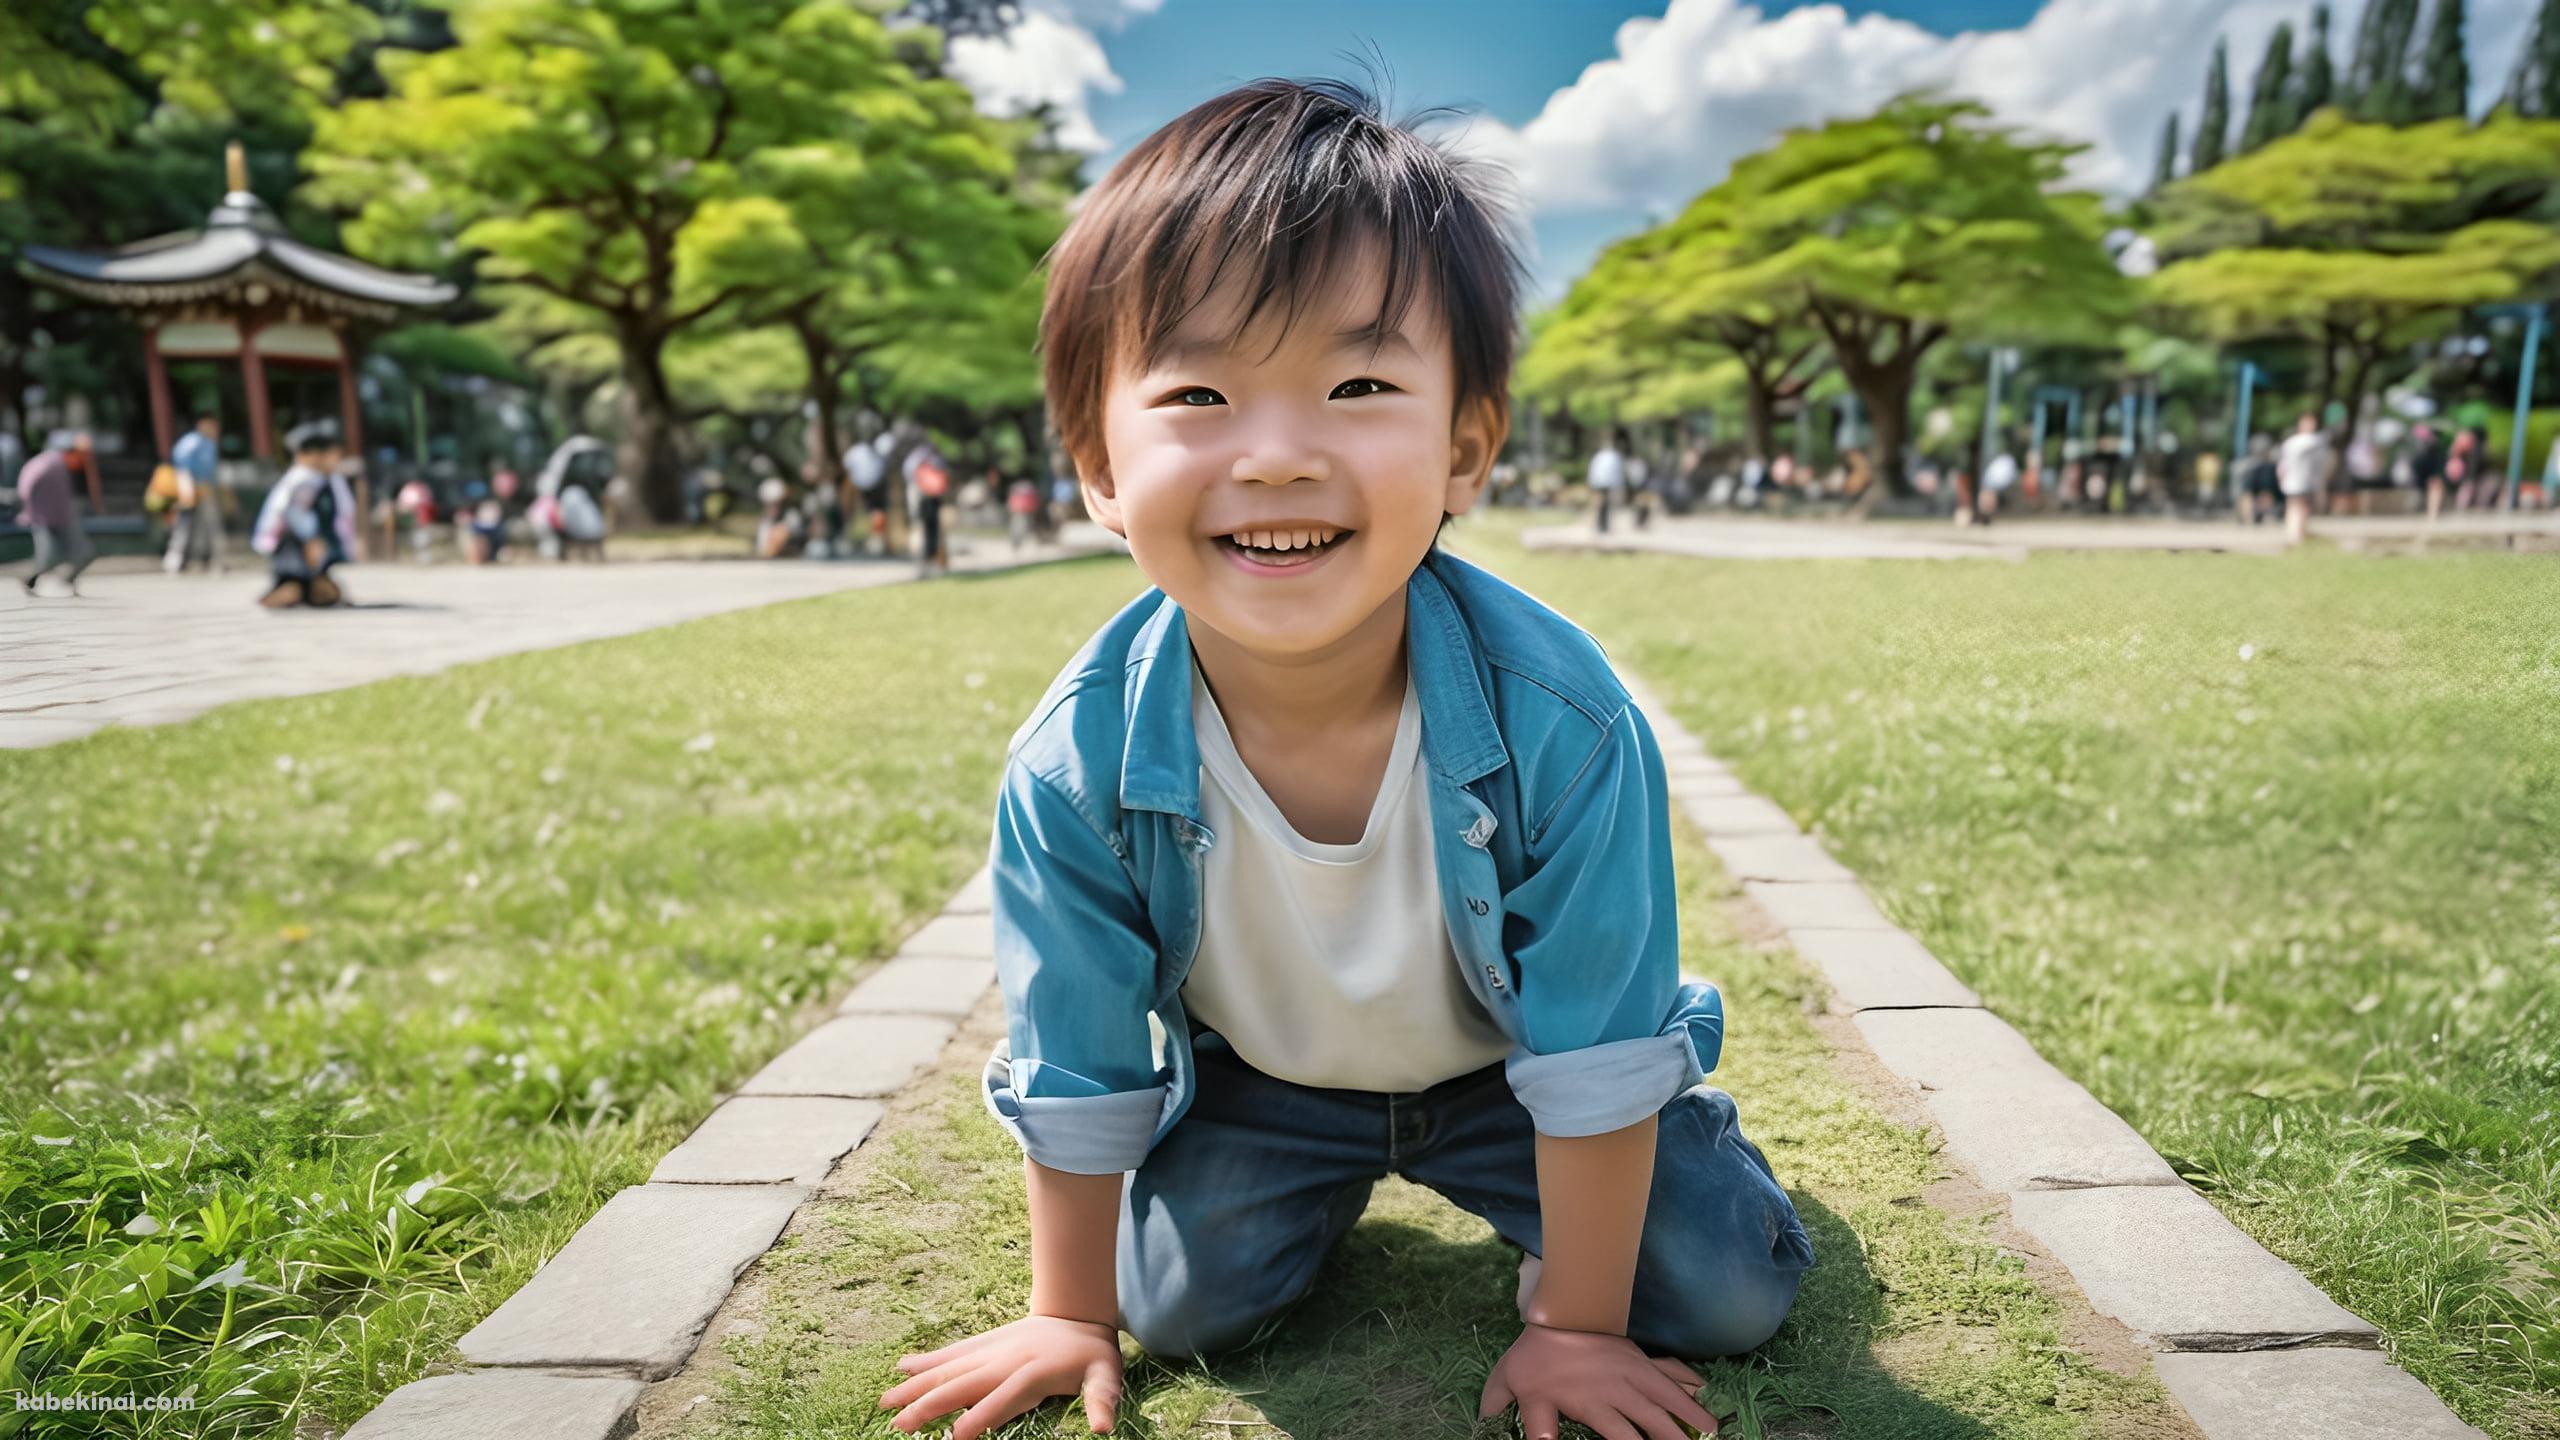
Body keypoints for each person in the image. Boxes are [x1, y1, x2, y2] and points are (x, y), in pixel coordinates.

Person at [878, 78, 1807, 1440]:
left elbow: (1594, 1047)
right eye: (1197, 391)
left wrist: (1575, 1329)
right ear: (1097, 466)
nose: (1277, 456)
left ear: (1465, 445)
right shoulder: (1073, 765)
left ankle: (1649, 1180)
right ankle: (1311, 1202)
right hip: (1272, 1090)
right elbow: (1076, 1053)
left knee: (1726, 1295)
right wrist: (1069, 1313)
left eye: (1360, 384)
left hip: (1515, 1068)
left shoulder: (1567, 724)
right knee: (1178, 1307)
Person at [251, 420, 361, 607]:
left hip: (316, 543)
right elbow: (291, 513)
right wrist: (310, 537)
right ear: (314, 456)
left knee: (329, 592)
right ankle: (292, 588)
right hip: (297, 543)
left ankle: (310, 588)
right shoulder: (303, 480)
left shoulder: (326, 478)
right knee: (298, 576)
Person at [15, 430, 99, 597]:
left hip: (63, 518)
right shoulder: (49, 463)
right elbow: (26, 486)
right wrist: (27, 507)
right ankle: (31, 580)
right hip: (43, 518)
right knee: (49, 556)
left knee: (85, 553)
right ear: (69, 451)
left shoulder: (62, 465)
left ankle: (68, 579)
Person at [166, 412, 229, 574]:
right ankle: (175, 561)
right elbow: (183, 468)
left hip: (205, 489)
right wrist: (186, 491)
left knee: (207, 525)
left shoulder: (209, 443)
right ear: (202, 424)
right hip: (190, 488)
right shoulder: (192, 442)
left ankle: (205, 560)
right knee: (184, 525)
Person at [2276, 412, 2327, 545]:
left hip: (2295, 481)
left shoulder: (2290, 442)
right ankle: (2297, 536)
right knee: (2301, 507)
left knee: (2294, 507)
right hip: (2301, 481)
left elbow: (2282, 464)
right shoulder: (2313, 441)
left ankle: (2293, 534)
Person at [904, 438, 951, 576]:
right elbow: (943, 478)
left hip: (917, 495)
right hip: (932, 496)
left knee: (918, 527)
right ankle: (931, 560)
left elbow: (907, 473)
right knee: (933, 530)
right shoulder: (936, 458)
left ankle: (921, 560)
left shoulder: (914, 457)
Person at [1585, 428, 1627, 533]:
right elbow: (1617, 471)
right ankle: (1602, 526)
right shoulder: (1612, 456)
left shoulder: (1600, 456)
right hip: (1605, 483)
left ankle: (1603, 526)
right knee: (1603, 505)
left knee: (1602, 505)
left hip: (1601, 482)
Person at [1978, 447, 2018, 525]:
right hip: (1995, 481)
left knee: (1987, 493)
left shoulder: (2004, 461)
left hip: (1995, 482)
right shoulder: (2004, 461)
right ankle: (1987, 513)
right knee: (1987, 494)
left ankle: (1987, 513)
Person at [1007, 474, 1041, 554]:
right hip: (1023, 511)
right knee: (1021, 528)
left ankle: (1018, 545)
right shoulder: (1028, 488)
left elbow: (1012, 501)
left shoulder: (1017, 488)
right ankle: (1018, 545)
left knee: (1019, 528)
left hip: (1021, 511)